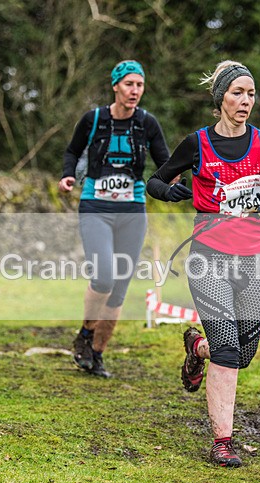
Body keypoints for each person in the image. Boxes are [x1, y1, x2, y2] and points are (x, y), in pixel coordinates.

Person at [146, 60, 260, 467]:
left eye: (251, 94)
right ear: (220, 98)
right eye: (237, 93)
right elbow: (155, 181)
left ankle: (197, 347)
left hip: (253, 258)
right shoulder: (197, 143)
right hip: (208, 257)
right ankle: (222, 442)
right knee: (228, 352)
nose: (245, 101)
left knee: (243, 352)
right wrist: (171, 193)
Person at [60, 60, 170, 377]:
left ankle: (96, 354)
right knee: (104, 278)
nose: (134, 91)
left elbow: (164, 162)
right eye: (129, 84)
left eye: (139, 85)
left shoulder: (147, 123)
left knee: (119, 288)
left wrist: (174, 180)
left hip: (132, 212)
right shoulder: (93, 119)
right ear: (116, 86)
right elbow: (72, 151)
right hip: (96, 208)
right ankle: (85, 332)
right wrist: (68, 175)